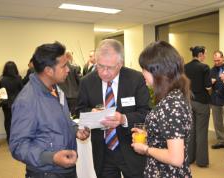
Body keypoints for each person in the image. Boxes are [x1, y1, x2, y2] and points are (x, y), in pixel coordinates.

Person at [9, 41, 90, 178]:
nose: (68, 70)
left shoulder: (56, 89)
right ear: (48, 70)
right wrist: (52, 157)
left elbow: (62, 120)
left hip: (66, 168)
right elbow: (18, 146)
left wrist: (76, 130)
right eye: (64, 66)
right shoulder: (27, 100)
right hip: (46, 172)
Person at [77, 39, 150, 178]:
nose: (104, 72)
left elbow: (145, 112)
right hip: (103, 151)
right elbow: (79, 110)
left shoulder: (135, 79)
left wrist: (123, 119)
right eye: (100, 66)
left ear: (120, 64)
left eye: (109, 67)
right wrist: (90, 112)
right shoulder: (87, 82)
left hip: (131, 149)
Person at [131, 41, 192, 178]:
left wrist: (145, 149)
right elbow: (171, 136)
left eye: (144, 69)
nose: (142, 74)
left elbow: (175, 158)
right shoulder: (174, 97)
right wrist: (150, 135)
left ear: (157, 71)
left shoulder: (171, 104)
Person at [185, 46, 212, 167]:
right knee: (201, 132)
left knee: (191, 131)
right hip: (202, 103)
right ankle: (201, 161)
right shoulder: (204, 67)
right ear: (200, 54)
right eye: (205, 54)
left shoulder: (185, 67)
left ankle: (190, 158)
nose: (205, 56)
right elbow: (208, 87)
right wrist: (212, 84)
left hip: (189, 101)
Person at [0, 61, 23, 143]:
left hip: (6, 103)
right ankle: (17, 138)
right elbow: (22, 90)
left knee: (7, 120)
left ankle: (9, 138)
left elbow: (0, 90)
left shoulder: (1, 78)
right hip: (17, 103)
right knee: (18, 121)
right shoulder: (18, 78)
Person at [59, 52, 81, 117]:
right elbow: (80, 82)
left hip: (62, 96)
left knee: (65, 116)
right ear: (70, 57)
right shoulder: (75, 68)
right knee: (74, 116)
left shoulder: (58, 68)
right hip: (74, 96)